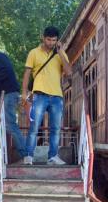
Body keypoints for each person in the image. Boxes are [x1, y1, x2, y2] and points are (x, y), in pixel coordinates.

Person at [21, 26, 72, 165]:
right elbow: (26, 74)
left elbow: (69, 72)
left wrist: (61, 52)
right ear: (43, 38)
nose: (50, 43)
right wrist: (24, 93)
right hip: (39, 96)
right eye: (48, 39)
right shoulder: (34, 53)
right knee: (34, 126)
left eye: (54, 40)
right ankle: (29, 156)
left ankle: (53, 157)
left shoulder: (60, 53)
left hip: (56, 97)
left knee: (55, 128)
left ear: (57, 40)